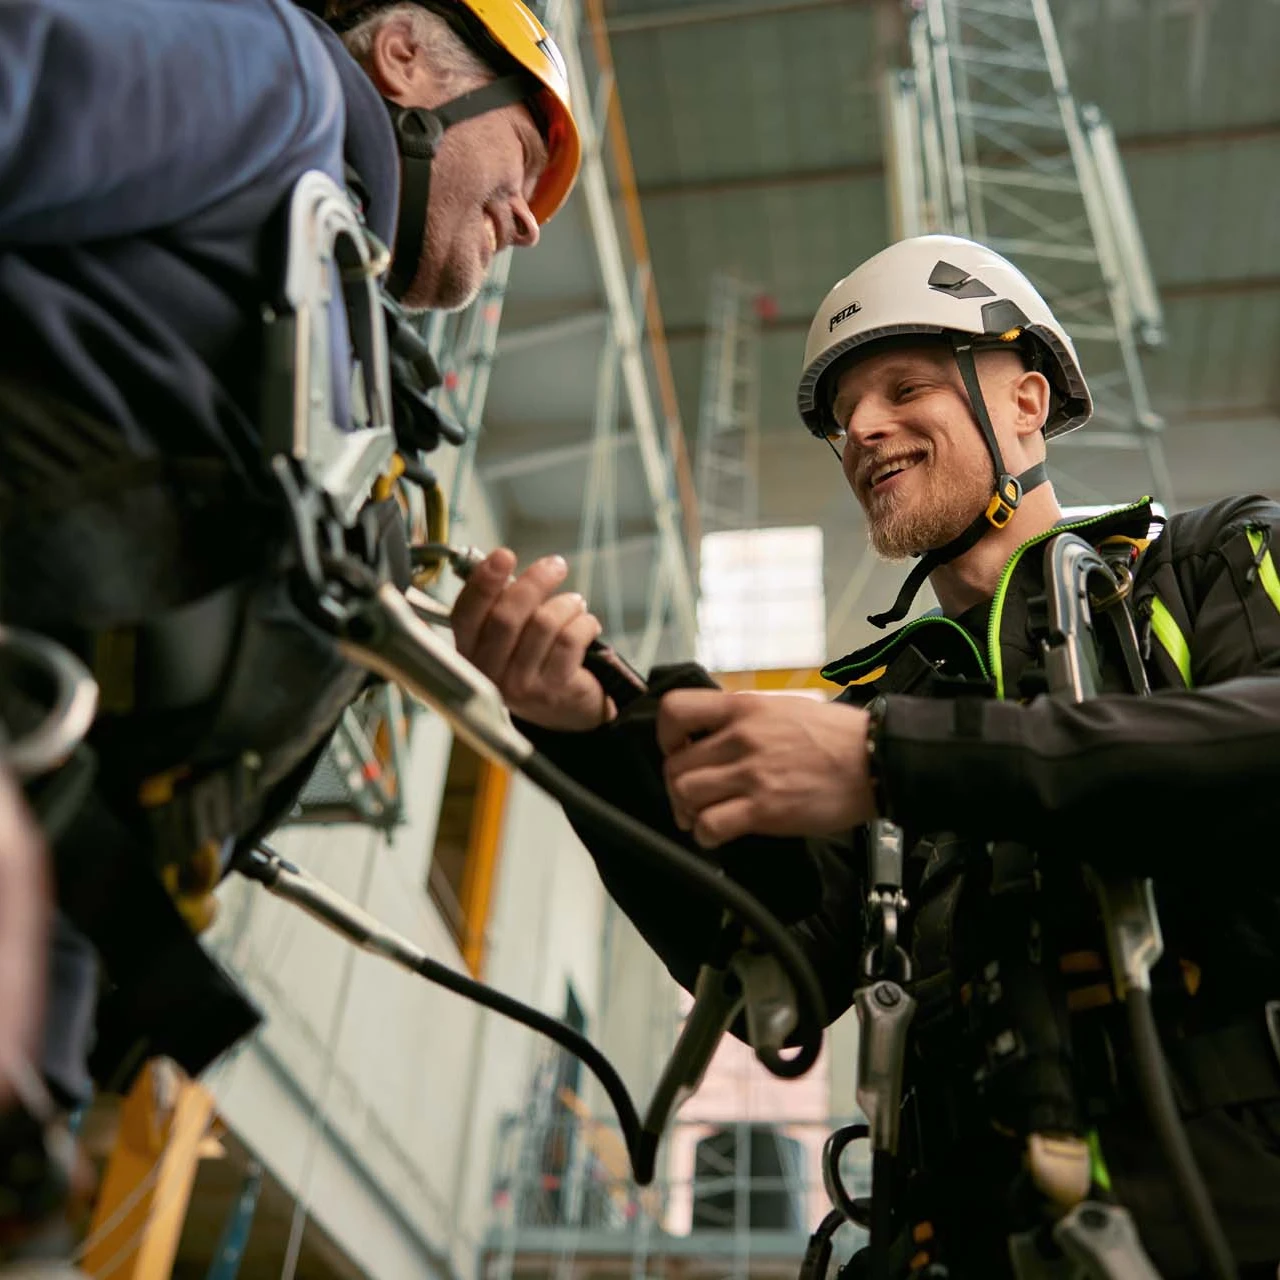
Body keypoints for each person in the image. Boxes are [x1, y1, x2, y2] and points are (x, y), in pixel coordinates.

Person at [451, 234, 1280, 1277]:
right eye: (845, 415)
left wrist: (897, 760)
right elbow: (776, 977)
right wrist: (588, 743)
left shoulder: (1208, 562)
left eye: (905, 388)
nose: (862, 430)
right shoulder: (882, 703)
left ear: (1026, 402)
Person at [0, 0, 579, 1260]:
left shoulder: (323, 299)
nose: (532, 219)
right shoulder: (275, 81)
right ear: (406, 57)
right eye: (524, 158)